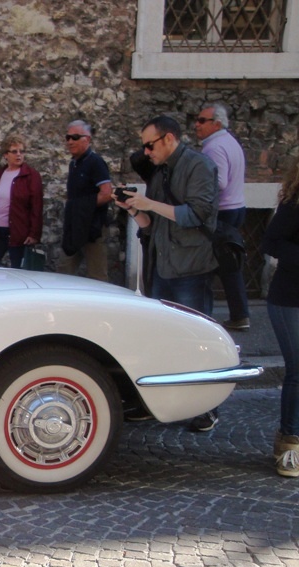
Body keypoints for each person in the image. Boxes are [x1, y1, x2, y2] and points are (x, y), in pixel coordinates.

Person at [118, 116, 220, 432]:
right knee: (161, 339)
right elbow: (153, 225)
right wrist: (133, 209)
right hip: (161, 266)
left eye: (149, 145)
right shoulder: (160, 170)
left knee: (198, 340)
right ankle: (158, 404)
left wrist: (150, 203)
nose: (145, 152)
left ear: (169, 139)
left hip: (191, 267)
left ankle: (207, 408)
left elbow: (197, 214)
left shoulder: (199, 166)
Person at [196, 102, 250, 331]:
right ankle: (239, 314)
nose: (196, 125)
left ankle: (203, 316)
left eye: (202, 121)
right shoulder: (229, 142)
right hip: (235, 208)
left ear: (216, 124)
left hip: (223, 211)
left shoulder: (214, 147)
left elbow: (218, 182)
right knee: (229, 267)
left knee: (206, 266)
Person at [261, 157, 299, 477]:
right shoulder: (294, 204)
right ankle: (289, 442)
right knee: (298, 370)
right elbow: (270, 241)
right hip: (290, 300)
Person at [57, 120, 112, 282]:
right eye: (67, 137)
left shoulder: (96, 162)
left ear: (87, 139)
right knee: (63, 271)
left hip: (93, 227)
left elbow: (107, 193)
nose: (70, 142)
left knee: (97, 276)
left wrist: (83, 207)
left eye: (75, 137)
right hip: (75, 225)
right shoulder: (73, 164)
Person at [0, 134, 43, 269]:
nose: (19, 155)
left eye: (22, 151)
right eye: (14, 151)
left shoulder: (31, 175)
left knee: (18, 269)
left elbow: (36, 206)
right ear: (6, 155)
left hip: (18, 231)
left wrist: (34, 233)